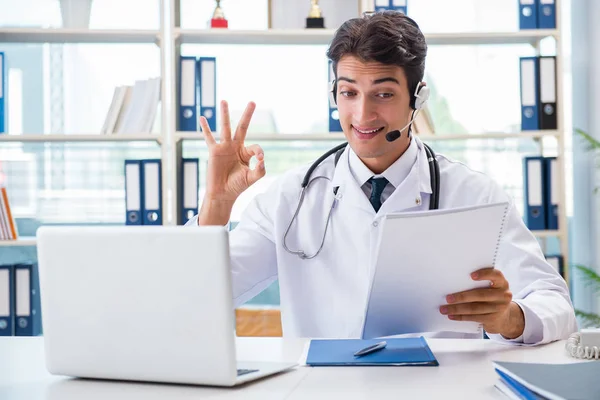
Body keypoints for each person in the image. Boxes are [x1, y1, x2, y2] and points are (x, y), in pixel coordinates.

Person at [187, 11, 577, 345]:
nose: (362, 114)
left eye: (384, 94)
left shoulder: (474, 194)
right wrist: (217, 206)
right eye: (348, 92)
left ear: (417, 97)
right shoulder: (291, 197)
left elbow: (555, 304)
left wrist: (510, 318)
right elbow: (199, 293)